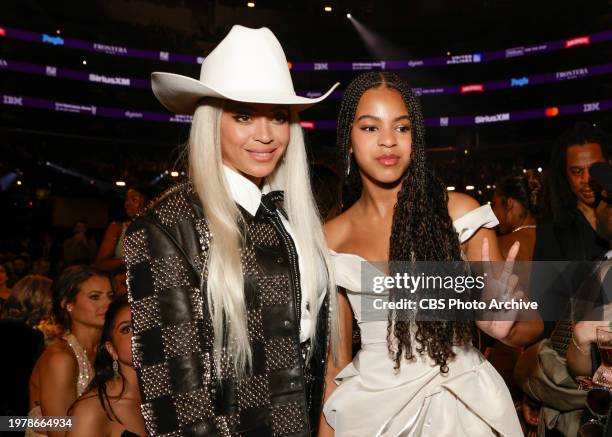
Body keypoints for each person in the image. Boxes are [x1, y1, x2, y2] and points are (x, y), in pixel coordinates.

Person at [125, 25, 339, 436]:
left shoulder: (292, 219)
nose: (266, 134)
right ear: (211, 122)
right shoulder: (166, 228)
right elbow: (176, 404)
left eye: (278, 116)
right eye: (243, 116)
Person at [321, 72, 541, 436]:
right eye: (370, 128)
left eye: (402, 128)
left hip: (461, 406)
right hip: (371, 412)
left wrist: (505, 324)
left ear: (416, 137)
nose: (388, 141)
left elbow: (531, 326)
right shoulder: (331, 237)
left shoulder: (459, 214)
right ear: (348, 138)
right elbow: (335, 363)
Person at [27, 266, 113, 437]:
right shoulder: (61, 359)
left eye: (110, 296)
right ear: (68, 304)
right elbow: (60, 432)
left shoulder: (110, 349)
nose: (107, 304)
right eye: (95, 297)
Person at [68, 295, 146, 437]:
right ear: (111, 349)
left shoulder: (178, 395)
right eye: (127, 329)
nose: (140, 334)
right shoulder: (91, 410)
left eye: (147, 325)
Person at [0, 275, 52, 417]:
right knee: (70, 424)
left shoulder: (8, 327)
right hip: (10, 422)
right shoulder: (30, 337)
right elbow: (20, 391)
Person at [492, 170, 541, 261]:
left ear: (509, 203)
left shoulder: (498, 246)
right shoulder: (553, 238)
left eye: (495, 205)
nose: (493, 212)